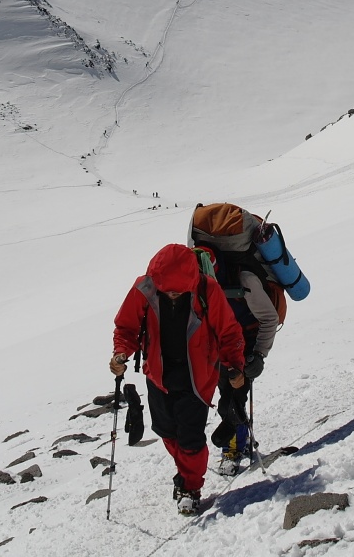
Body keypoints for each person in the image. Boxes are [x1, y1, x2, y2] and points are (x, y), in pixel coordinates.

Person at [111, 244, 246, 515]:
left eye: (178, 289)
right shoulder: (145, 288)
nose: (172, 293)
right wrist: (121, 353)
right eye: (167, 289)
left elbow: (228, 332)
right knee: (167, 432)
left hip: (197, 378)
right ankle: (186, 474)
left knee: (190, 439)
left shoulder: (208, 290)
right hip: (158, 375)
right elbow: (127, 326)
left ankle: (190, 488)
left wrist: (235, 366)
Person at [187, 204, 280, 476]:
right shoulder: (202, 284)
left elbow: (269, 319)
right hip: (220, 342)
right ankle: (240, 440)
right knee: (228, 393)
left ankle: (234, 448)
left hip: (246, 340)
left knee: (233, 395)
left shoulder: (246, 279)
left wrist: (259, 356)